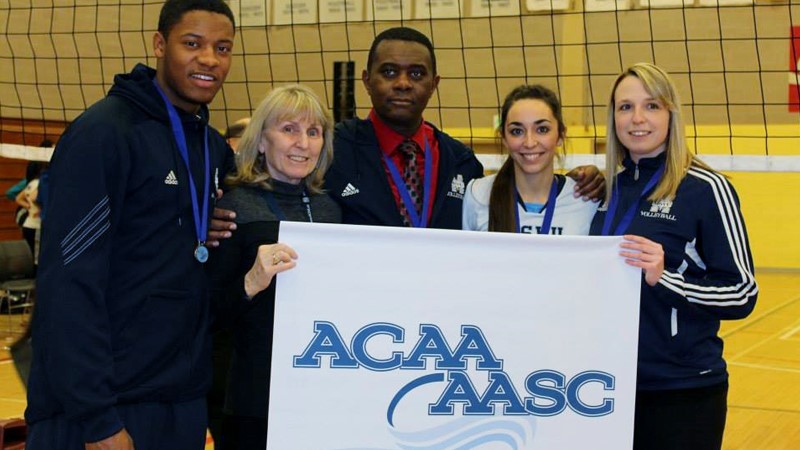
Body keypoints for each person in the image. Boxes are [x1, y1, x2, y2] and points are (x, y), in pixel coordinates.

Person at [25, 1, 237, 449]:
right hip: (98, 410)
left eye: (222, 48)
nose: (209, 60)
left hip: (177, 402)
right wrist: (96, 417)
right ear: (160, 45)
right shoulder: (104, 134)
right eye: (192, 44)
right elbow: (68, 282)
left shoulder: (212, 148)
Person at [590, 63, 758, 450]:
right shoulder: (608, 188)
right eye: (624, 107)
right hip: (611, 384)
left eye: (651, 106)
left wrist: (665, 277)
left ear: (671, 114)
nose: (636, 119)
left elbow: (742, 293)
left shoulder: (706, 188)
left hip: (683, 389)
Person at [325, 26, 604, 229]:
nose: (402, 83)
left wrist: (577, 183)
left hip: (440, 305)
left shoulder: (460, 161)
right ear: (366, 80)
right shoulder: (331, 151)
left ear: (434, 84)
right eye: (388, 72)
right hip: (363, 303)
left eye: (416, 74)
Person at [206, 84, 341, 450]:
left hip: (316, 390)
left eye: (313, 132)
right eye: (289, 129)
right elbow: (206, 316)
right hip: (251, 397)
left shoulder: (330, 211)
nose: (303, 143)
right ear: (262, 141)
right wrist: (251, 281)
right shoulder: (233, 210)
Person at [462, 85, 598, 234]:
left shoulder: (585, 199)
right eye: (517, 131)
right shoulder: (478, 194)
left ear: (560, 136)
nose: (529, 143)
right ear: (504, 139)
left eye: (542, 129)